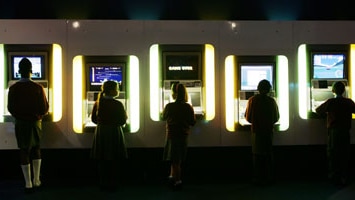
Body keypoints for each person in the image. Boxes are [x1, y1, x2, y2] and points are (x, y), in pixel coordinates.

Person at [7, 57, 49, 193]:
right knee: (36, 148)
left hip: (20, 123)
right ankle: (37, 180)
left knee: (24, 150)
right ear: (32, 71)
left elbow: (10, 108)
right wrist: (38, 116)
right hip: (35, 122)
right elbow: (44, 108)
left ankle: (28, 183)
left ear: (19, 71)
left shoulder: (13, 88)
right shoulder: (38, 87)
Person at [90, 80, 128, 191]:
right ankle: (113, 183)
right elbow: (122, 120)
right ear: (112, 91)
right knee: (114, 159)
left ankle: (103, 182)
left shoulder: (98, 102)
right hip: (114, 132)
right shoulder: (118, 104)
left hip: (101, 132)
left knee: (102, 159)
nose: (118, 90)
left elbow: (93, 119)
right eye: (117, 88)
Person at [315, 81, 355, 186]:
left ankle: (334, 176)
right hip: (345, 131)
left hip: (334, 132)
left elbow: (318, 110)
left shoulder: (330, 102)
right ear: (344, 90)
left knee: (333, 154)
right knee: (344, 154)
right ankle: (344, 176)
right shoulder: (349, 102)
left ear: (333, 90)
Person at [244, 79, 279, 185]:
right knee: (268, 155)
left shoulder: (252, 100)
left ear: (258, 88)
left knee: (257, 155)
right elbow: (276, 117)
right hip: (268, 131)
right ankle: (269, 178)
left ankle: (258, 178)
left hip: (256, 132)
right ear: (269, 89)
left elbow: (248, 117)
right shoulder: (272, 101)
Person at [162, 83, 196, 190]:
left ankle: (177, 181)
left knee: (174, 159)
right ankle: (172, 177)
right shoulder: (188, 106)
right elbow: (192, 122)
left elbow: (163, 117)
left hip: (172, 135)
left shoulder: (169, 106)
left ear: (173, 93)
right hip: (183, 135)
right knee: (178, 158)